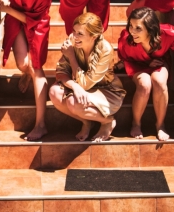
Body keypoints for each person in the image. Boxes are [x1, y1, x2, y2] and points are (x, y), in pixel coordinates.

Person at [117, 7, 174, 141]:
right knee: (145, 84)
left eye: (138, 28)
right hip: (136, 64)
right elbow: (125, 58)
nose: (132, 31)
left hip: (159, 62)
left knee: (159, 81)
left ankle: (160, 125)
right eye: (131, 25)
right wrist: (146, 64)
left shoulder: (168, 33)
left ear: (150, 28)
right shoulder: (126, 39)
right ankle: (136, 123)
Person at [48, 13, 126, 142]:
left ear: (93, 36)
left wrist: (72, 56)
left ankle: (107, 121)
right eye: (74, 31)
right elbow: (61, 71)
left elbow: (85, 84)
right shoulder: (73, 41)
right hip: (80, 86)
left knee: (74, 102)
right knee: (54, 92)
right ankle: (87, 122)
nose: (75, 36)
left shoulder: (105, 49)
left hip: (106, 90)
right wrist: (74, 86)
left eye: (80, 34)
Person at [0, 0, 52, 141]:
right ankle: (25, 73)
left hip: (37, 24)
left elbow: (32, 20)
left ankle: (41, 124)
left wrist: (7, 9)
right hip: (15, 17)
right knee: (23, 65)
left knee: (36, 68)